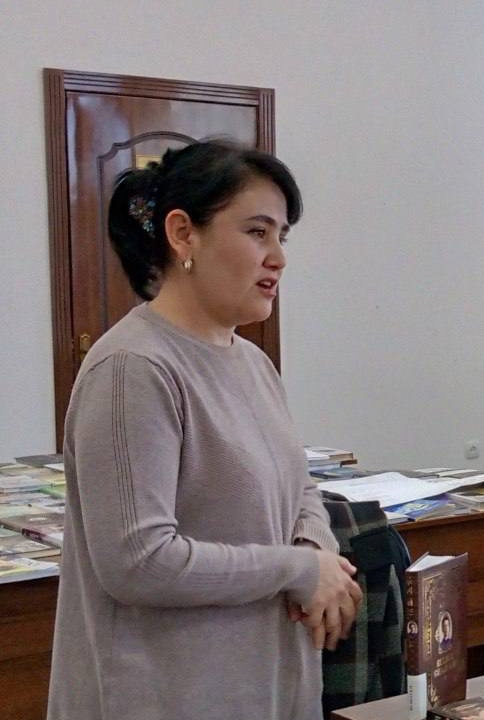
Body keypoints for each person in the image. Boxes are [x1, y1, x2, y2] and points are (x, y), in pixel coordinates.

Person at [48, 140, 362, 720]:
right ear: (183, 234)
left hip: (267, 682)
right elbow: (140, 562)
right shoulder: (132, 368)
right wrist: (297, 570)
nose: (278, 258)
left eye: (282, 237)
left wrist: (315, 549)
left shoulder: (252, 362)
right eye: (257, 232)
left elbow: (299, 488)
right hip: (164, 695)